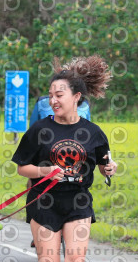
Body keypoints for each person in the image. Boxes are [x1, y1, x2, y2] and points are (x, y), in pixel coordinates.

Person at [12, 55, 117, 262]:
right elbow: (22, 168)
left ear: (76, 97)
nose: (53, 100)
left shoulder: (94, 133)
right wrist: (44, 171)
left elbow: (104, 164)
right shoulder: (40, 129)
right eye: (51, 95)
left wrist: (109, 168)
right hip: (44, 202)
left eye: (59, 95)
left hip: (78, 203)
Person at [27, 96, 91, 248]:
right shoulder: (42, 103)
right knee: (32, 180)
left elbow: (88, 132)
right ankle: (37, 223)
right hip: (50, 155)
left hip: (69, 154)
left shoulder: (84, 104)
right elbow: (32, 132)